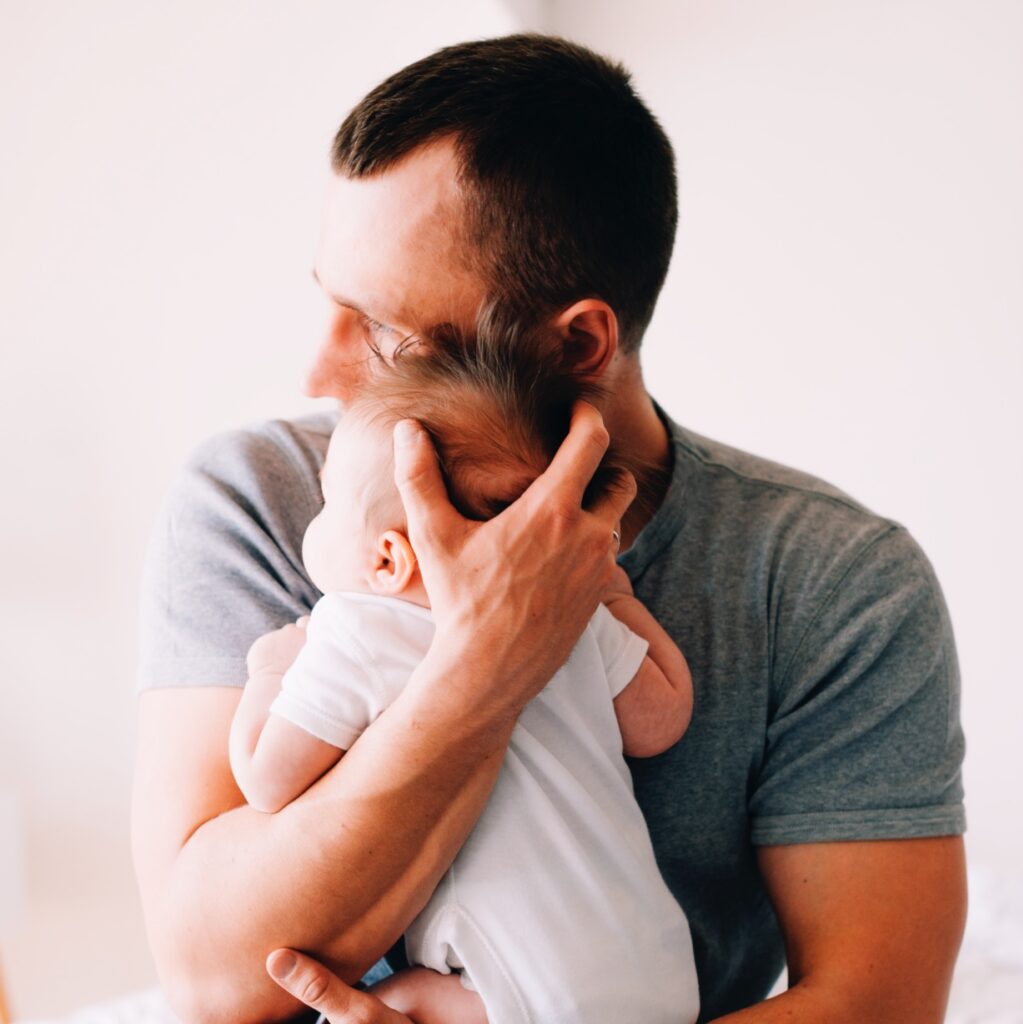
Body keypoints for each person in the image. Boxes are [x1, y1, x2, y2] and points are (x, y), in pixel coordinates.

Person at [132, 34, 967, 1024]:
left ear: (574, 343)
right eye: (331, 303)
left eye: (384, 333)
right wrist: (486, 661)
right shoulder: (264, 497)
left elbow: (879, 1003)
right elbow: (211, 981)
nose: (321, 376)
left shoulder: (831, 579)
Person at [228, 329, 699, 1024]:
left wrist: (268, 674)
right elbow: (660, 721)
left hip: (509, 991)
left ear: (386, 560)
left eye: (326, 505)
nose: (318, 519)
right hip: (653, 980)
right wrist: (611, 596)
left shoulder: (355, 629)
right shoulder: (571, 612)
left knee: (385, 1004)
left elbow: (268, 780)